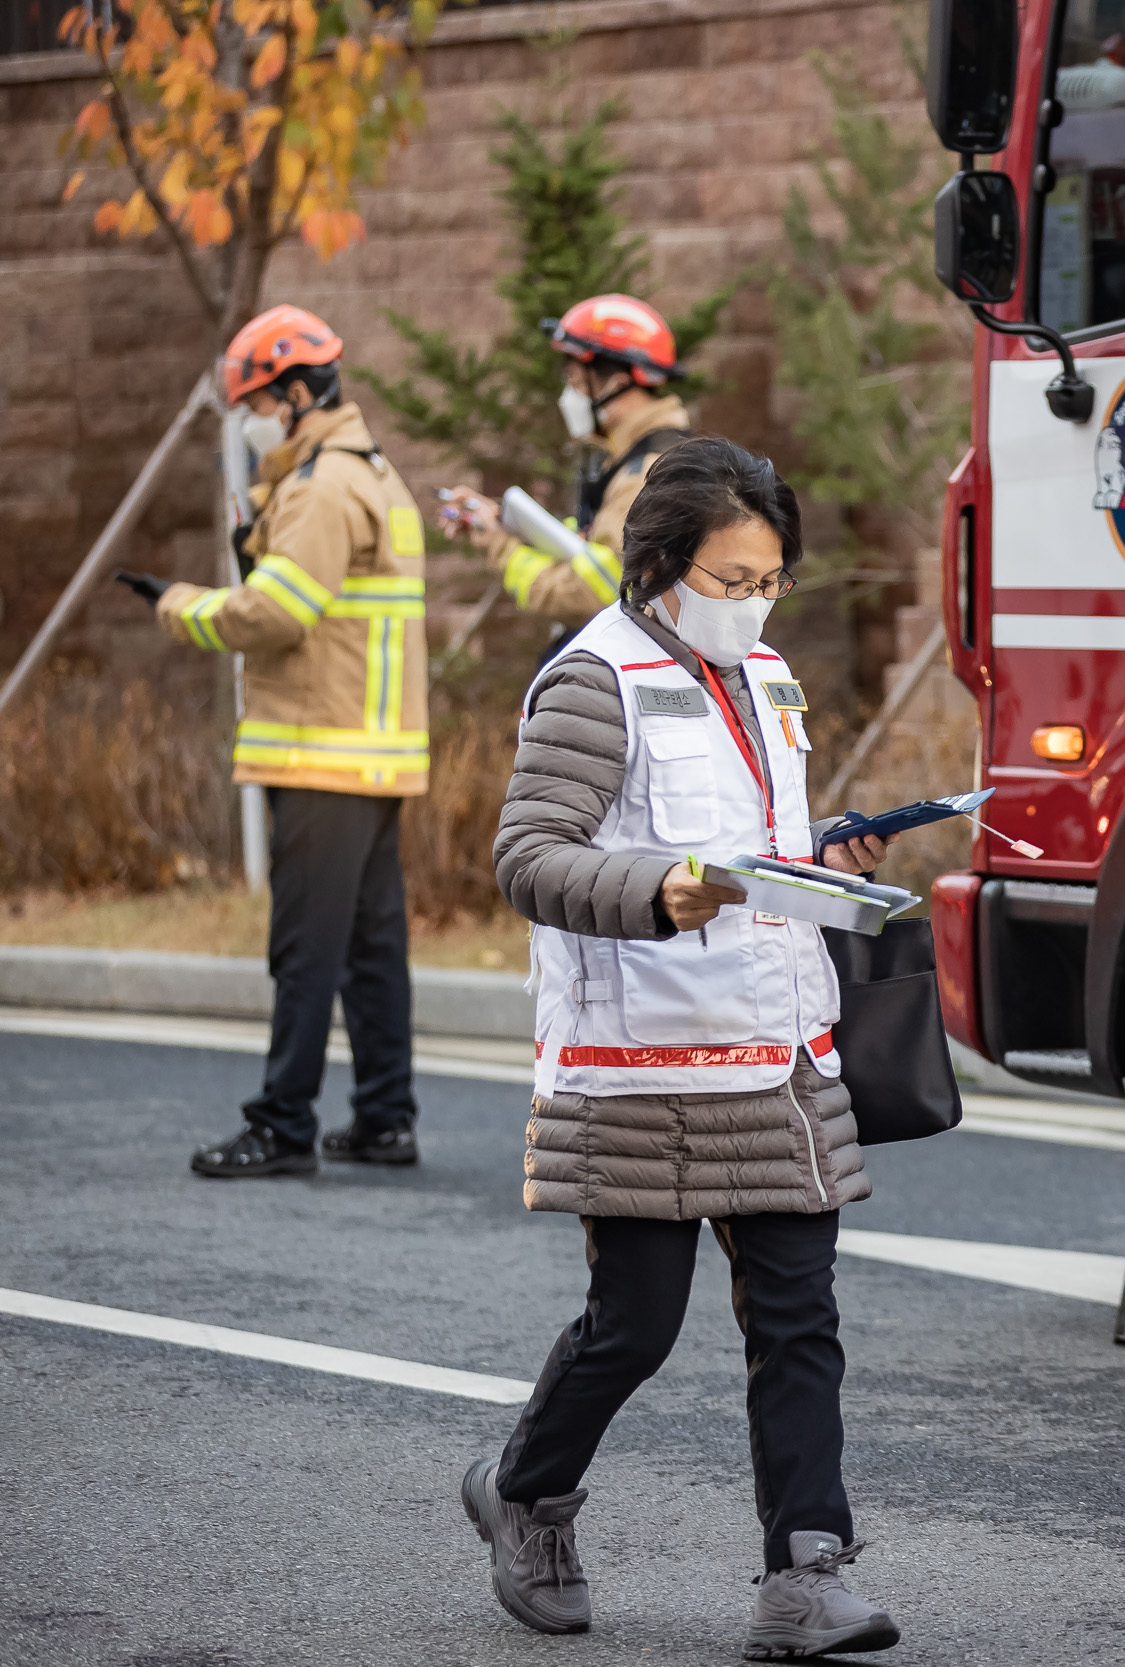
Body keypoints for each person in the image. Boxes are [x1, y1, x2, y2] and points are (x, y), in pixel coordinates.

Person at [465, 435, 901, 1659]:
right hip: (637, 1058)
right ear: (660, 565)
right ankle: (526, 1491)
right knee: (635, 1324)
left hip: (772, 1049)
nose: (753, 601)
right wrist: (664, 886)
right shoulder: (590, 679)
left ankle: (804, 1572)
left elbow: (759, 848)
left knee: (799, 1319)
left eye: (771, 579)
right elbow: (529, 855)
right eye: (730, 577)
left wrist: (828, 861)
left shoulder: (766, 677)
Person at [147, 304, 431, 1177]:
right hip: (375, 754)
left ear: (300, 394)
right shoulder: (373, 473)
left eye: (261, 402)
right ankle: (385, 1117)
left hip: (321, 751)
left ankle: (282, 1124)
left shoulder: (320, 487)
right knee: (370, 948)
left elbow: (278, 611)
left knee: (306, 951)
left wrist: (180, 606)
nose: (254, 418)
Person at [443, 293, 692, 626]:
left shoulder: (644, 474)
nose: (568, 396)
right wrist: (503, 523)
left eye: (575, 381)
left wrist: (501, 548)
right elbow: (593, 550)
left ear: (616, 385)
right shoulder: (637, 456)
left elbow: (595, 592)